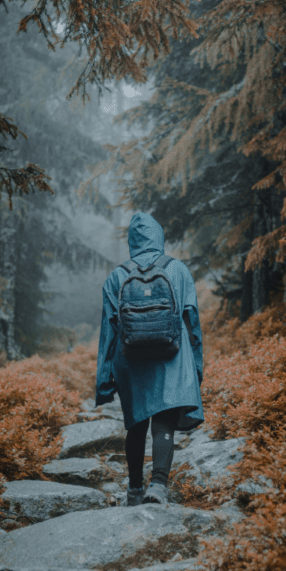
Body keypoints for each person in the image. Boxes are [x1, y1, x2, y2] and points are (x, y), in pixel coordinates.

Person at [95, 212, 204, 505]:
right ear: (159, 236)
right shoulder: (178, 269)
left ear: (132, 241)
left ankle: (133, 489)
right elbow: (192, 321)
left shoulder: (116, 276)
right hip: (172, 355)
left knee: (136, 424)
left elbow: (109, 333)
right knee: (163, 421)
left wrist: (104, 381)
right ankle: (158, 486)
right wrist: (196, 368)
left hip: (131, 359)